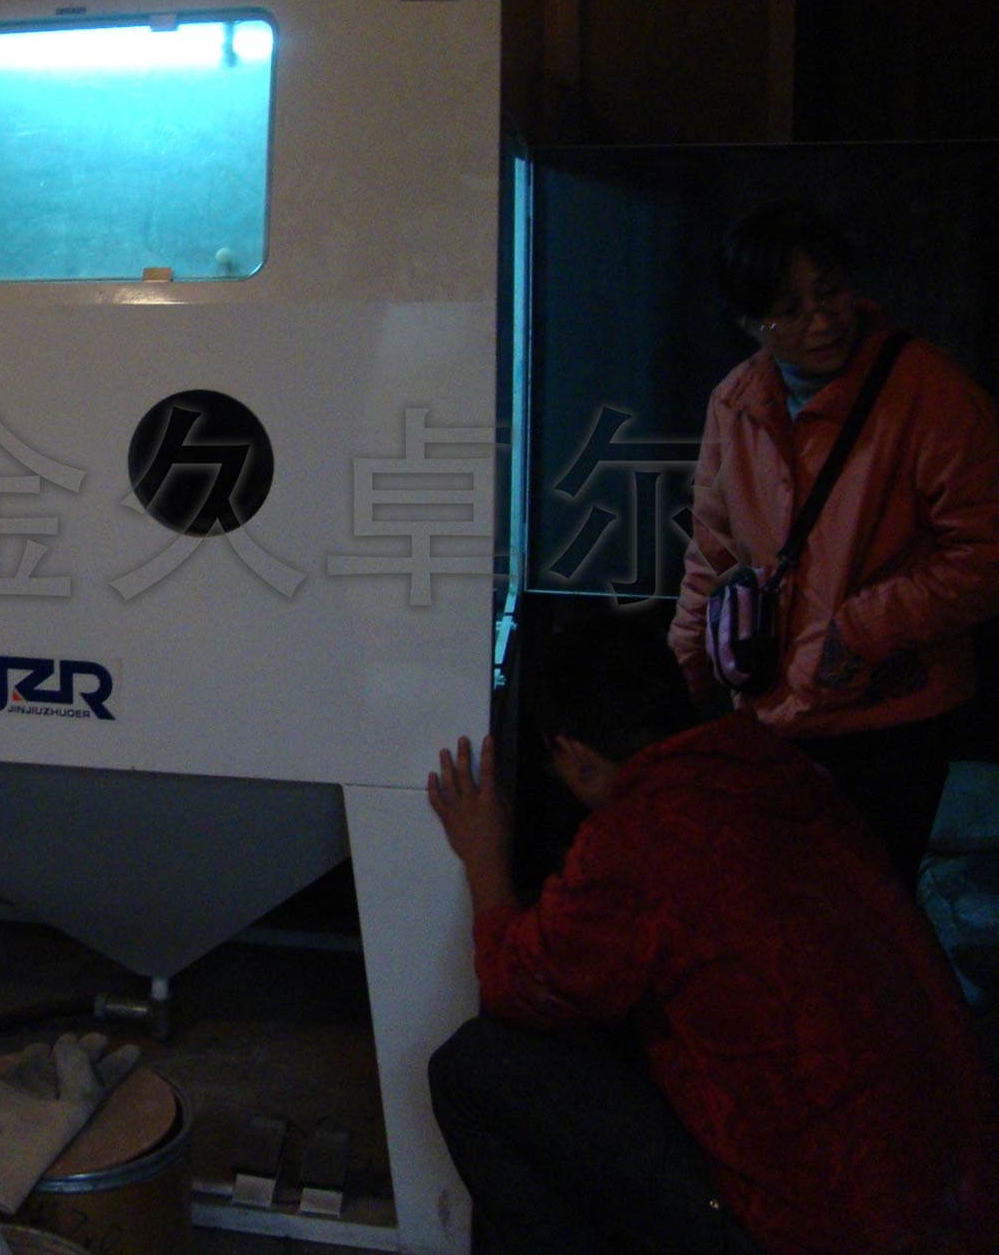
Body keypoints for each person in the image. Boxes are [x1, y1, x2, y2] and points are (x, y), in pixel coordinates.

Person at [426, 614, 996, 1255]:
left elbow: (517, 987)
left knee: (470, 1071)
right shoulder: (775, 768)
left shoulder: (639, 839)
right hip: (956, 1197)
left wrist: (483, 857)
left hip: (818, 1228)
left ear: (575, 754)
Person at [668, 202, 999, 890]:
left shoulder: (931, 394)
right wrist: (679, 685)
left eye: (832, 293)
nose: (822, 322)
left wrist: (860, 629)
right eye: (789, 311)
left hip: (891, 716)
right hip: (774, 714)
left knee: (868, 909)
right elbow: (711, 558)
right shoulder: (736, 403)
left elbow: (984, 555)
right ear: (748, 323)